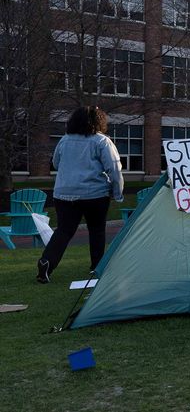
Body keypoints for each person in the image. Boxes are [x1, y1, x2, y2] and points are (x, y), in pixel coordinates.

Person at [36, 106, 124, 284]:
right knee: (97, 230)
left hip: (64, 194)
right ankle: (96, 266)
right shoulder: (102, 141)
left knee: (63, 231)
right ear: (99, 121)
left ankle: (47, 262)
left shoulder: (64, 140)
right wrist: (118, 192)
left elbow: (56, 163)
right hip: (95, 194)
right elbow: (114, 169)